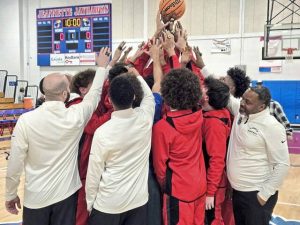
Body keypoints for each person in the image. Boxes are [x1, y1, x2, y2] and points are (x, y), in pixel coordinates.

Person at [5, 47, 111, 225]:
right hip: (66, 196)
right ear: (64, 94)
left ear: (43, 93)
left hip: (36, 198)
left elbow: (15, 162)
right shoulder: (75, 116)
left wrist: (10, 194)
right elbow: (93, 96)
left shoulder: (25, 120)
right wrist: (102, 67)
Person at [85, 71, 155, 225]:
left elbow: (94, 173)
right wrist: (137, 75)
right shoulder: (145, 119)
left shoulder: (102, 132)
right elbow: (149, 97)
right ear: (134, 97)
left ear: (109, 100)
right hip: (138, 201)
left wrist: (90, 203)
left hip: (108, 203)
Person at [226, 87, 290, 225]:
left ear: (261, 107)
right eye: (243, 98)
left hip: (256, 195)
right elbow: (227, 97)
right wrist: (202, 68)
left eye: (247, 102)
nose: (242, 103)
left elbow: (283, 164)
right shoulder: (241, 111)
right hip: (238, 192)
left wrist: (263, 195)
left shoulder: (272, 126)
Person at [152, 68, 206, 225]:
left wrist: (166, 187)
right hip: (200, 185)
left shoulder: (162, 128)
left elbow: (160, 168)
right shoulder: (198, 115)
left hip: (179, 191)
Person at [201, 77, 231, 225]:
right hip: (215, 182)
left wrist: (210, 192)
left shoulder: (214, 125)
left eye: (203, 87)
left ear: (206, 96)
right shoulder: (220, 112)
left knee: (213, 220)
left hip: (214, 185)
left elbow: (217, 160)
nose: (200, 87)